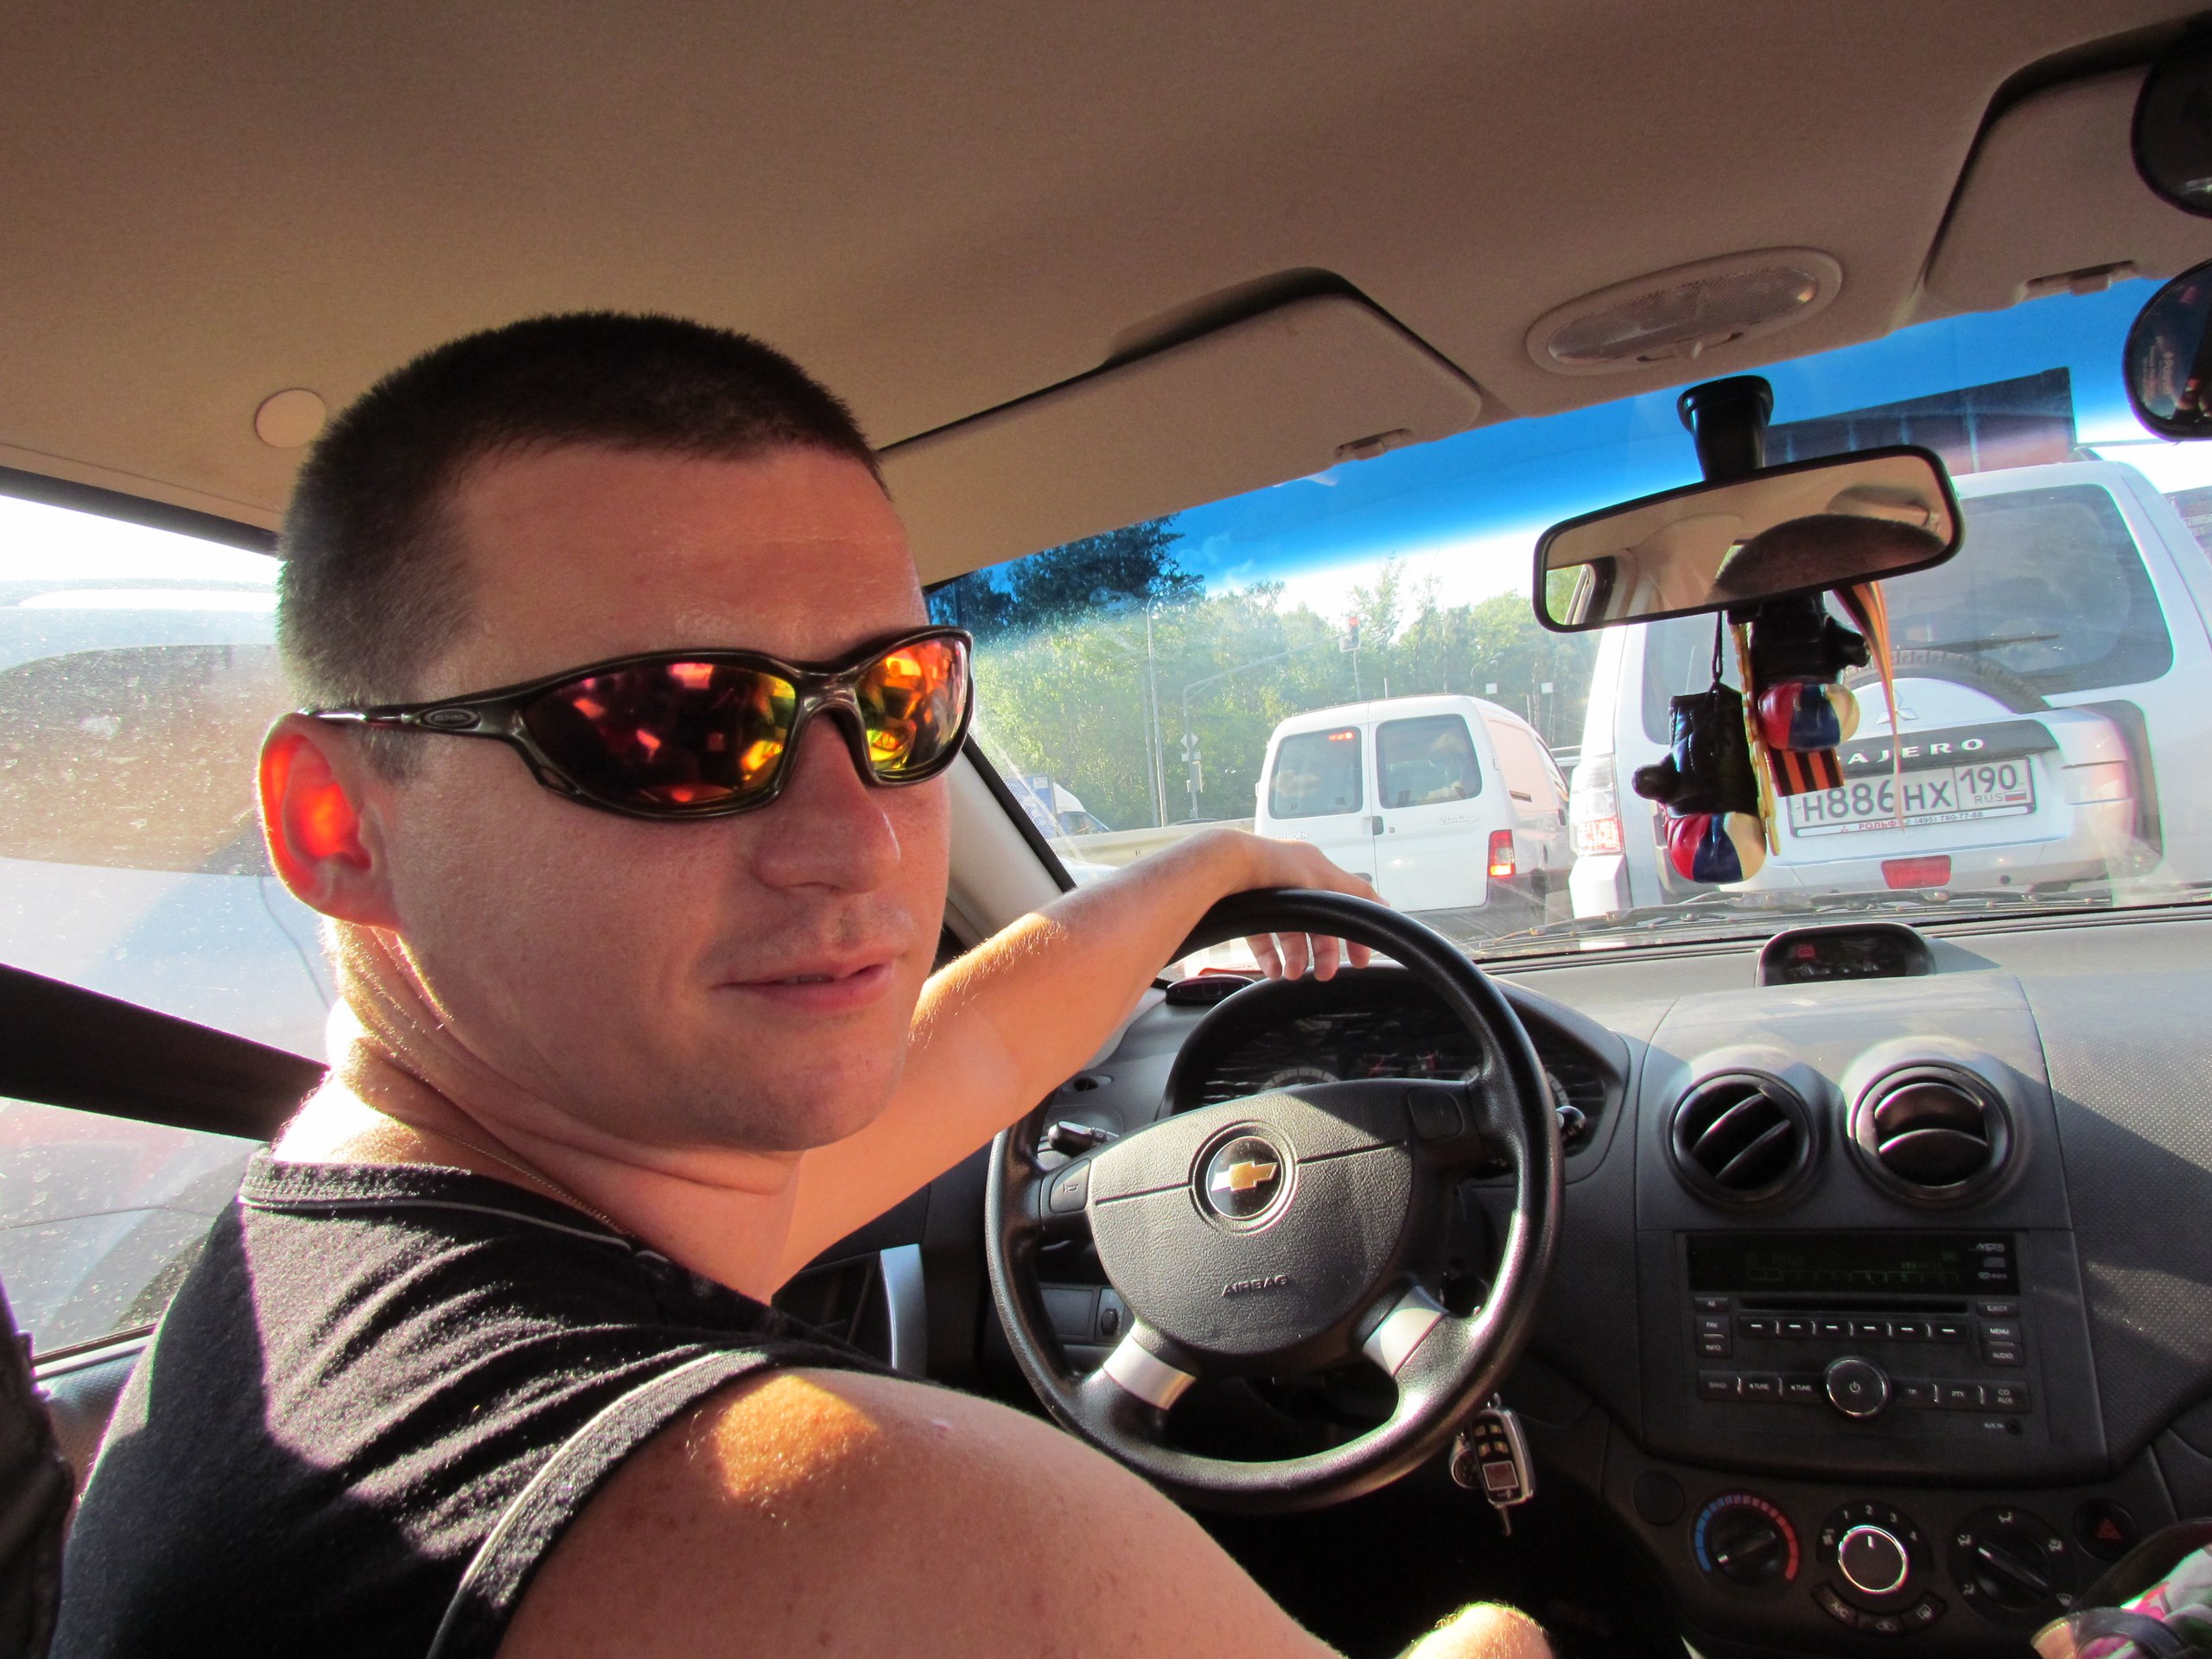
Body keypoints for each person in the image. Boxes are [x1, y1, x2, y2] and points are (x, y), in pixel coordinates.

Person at [54, 314, 1551, 1659]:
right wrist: (1503, 1624)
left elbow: (968, 1061)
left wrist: (1206, 869)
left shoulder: (281, 1306)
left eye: (897, 699)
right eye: (674, 728)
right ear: (340, 824)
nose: (857, 843)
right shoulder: (856, 1540)